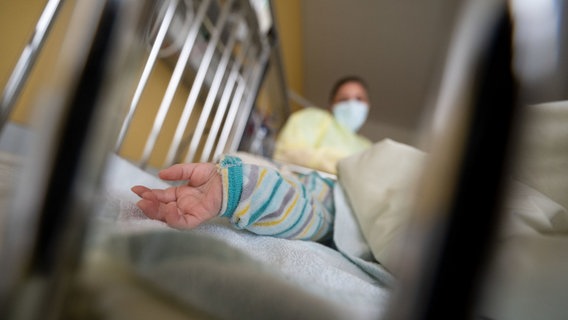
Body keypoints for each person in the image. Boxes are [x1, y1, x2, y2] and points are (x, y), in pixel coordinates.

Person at [131, 154, 335, 241]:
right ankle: (233, 181)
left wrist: (238, 188)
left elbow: (316, 221)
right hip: (299, 177)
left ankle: (237, 184)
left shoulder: (345, 208)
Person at [272, 76, 373, 174]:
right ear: (331, 105)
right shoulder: (313, 119)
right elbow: (286, 154)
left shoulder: (369, 147)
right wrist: (340, 164)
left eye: (359, 99)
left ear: (368, 105)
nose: (352, 105)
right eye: (344, 99)